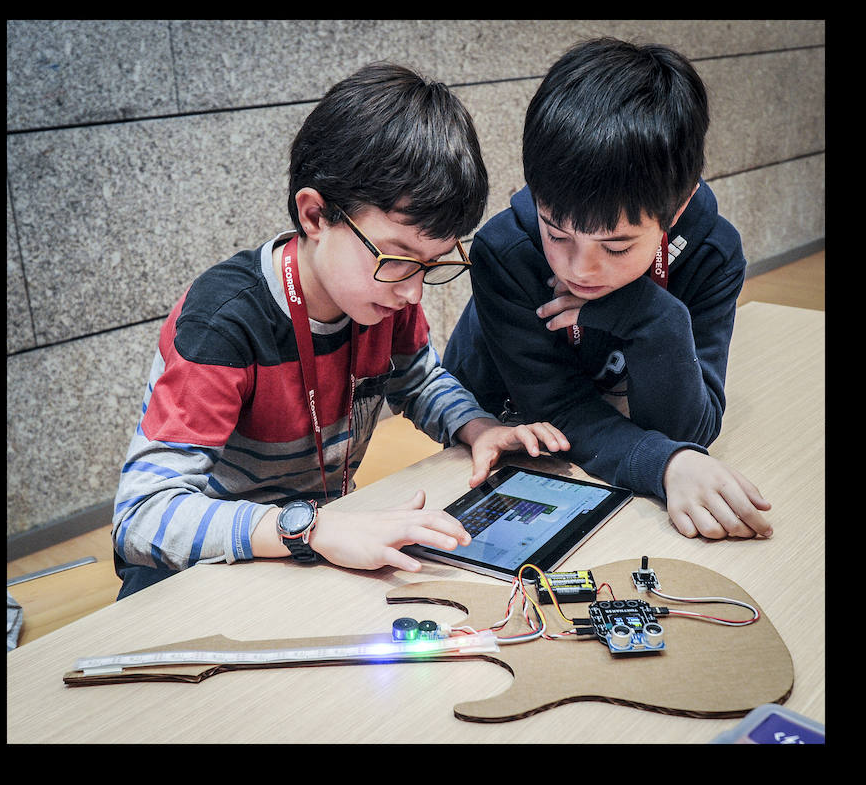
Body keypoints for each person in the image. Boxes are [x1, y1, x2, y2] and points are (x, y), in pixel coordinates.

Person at [112, 63, 570, 598]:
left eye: (434, 263)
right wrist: (312, 527)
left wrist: (477, 427)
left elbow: (418, 382)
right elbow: (142, 517)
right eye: (399, 259)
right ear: (315, 215)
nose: (414, 292)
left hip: (316, 541)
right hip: (202, 563)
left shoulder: (381, 295)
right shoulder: (223, 321)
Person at [443, 38, 773, 541]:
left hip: (604, 438)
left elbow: (691, 427)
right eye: (556, 233)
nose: (580, 269)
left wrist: (651, 316)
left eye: (616, 247)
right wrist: (664, 463)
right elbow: (552, 409)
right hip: (496, 435)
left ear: (677, 208)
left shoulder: (713, 252)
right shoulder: (505, 252)